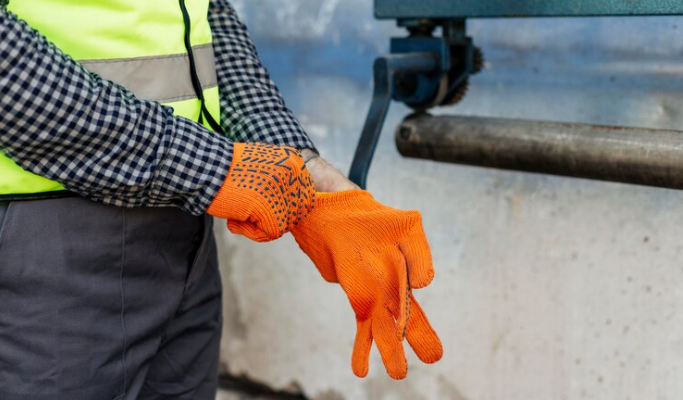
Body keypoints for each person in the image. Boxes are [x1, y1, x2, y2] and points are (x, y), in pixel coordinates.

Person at [0, 1, 442, 398]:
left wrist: (305, 173)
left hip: (185, 231)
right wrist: (215, 169)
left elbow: (207, 24)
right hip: (50, 235)